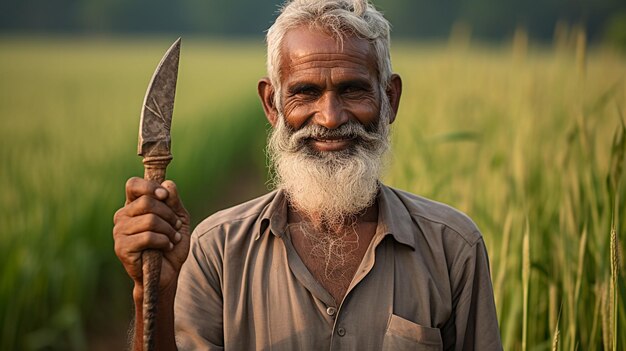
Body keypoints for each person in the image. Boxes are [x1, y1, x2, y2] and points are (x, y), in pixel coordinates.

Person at [113, 0, 503, 350]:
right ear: (272, 104)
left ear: (390, 99)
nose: (330, 117)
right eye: (306, 92)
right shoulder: (216, 250)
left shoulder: (453, 248)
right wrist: (154, 293)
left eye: (353, 90)